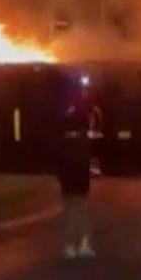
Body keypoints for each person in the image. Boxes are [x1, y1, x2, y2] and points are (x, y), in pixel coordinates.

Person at [55, 73, 95, 260]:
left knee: (71, 211)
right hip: (78, 179)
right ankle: (80, 244)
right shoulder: (82, 141)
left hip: (69, 180)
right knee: (80, 211)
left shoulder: (65, 139)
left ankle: (73, 245)